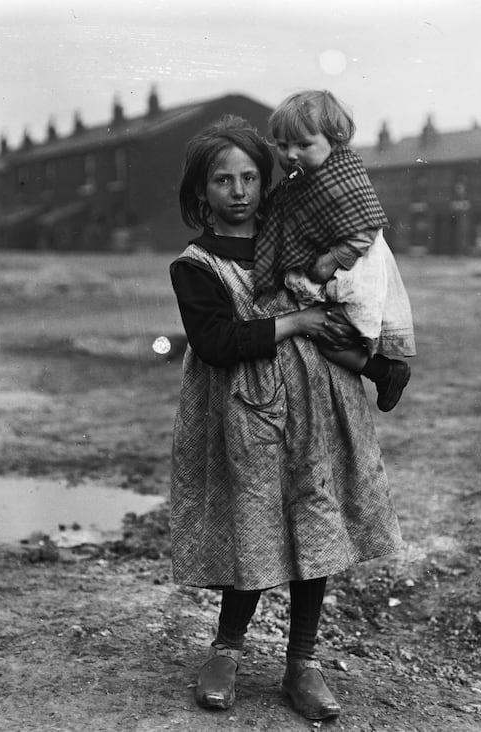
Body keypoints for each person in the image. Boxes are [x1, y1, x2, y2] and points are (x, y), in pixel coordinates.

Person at [168, 115, 403, 722]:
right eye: (224, 181)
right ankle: (226, 650)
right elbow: (217, 341)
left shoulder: (292, 234)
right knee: (253, 522)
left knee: (314, 521)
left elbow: (352, 227)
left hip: (319, 402)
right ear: (203, 193)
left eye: (250, 177)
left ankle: (303, 662)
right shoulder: (196, 265)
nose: (240, 191)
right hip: (245, 408)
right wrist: (296, 322)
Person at [253, 89, 416, 412]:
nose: (290, 154)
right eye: (283, 146)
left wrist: (330, 260)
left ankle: (385, 371)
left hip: (354, 266)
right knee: (321, 332)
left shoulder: (343, 175)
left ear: (335, 140)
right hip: (330, 270)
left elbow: (366, 227)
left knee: (333, 339)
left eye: (303, 144)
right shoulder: (300, 182)